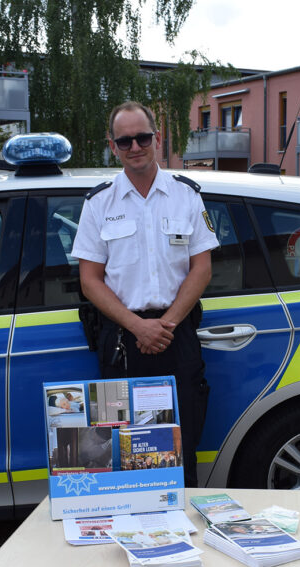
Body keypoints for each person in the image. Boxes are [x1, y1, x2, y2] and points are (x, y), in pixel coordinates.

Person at [71, 101, 218, 487]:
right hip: (122, 342)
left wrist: (164, 325)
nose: (135, 147)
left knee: (182, 447)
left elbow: (202, 268)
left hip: (176, 335)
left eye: (142, 137)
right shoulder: (99, 203)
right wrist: (139, 327)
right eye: (125, 141)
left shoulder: (186, 196)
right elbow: (90, 280)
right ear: (113, 146)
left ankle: (180, 518)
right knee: (122, 452)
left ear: (158, 137)